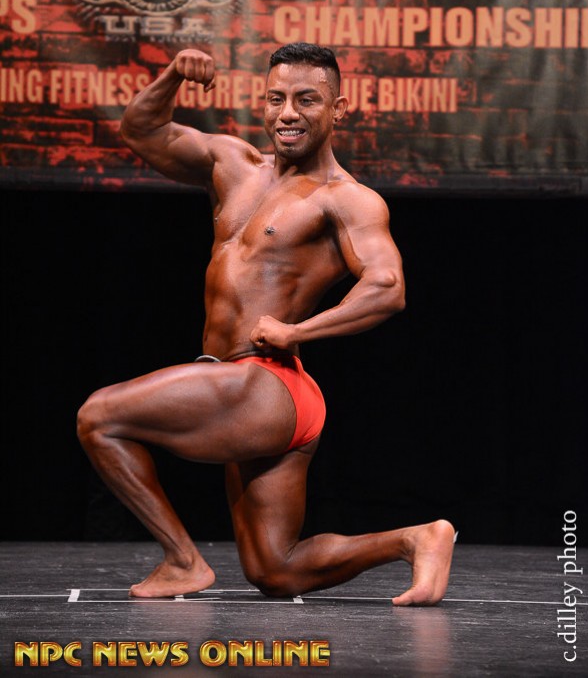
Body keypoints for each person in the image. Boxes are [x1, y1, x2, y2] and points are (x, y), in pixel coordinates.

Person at [77, 42, 455, 604]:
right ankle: (413, 539)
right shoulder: (232, 165)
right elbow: (141, 129)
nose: (287, 113)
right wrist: (174, 74)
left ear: (338, 109)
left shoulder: (346, 200)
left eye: (306, 100)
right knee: (276, 570)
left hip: (264, 382)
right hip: (252, 391)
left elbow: (386, 288)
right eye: (276, 99)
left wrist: (299, 332)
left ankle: (182, 562)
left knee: (99, 417)